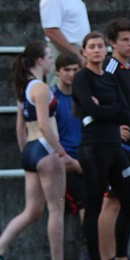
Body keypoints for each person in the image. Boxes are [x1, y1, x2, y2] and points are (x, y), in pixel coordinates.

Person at [0, 41, 69, 260]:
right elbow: (44, 124)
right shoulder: (41, 88)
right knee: (56, 208)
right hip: (44, 148)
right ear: (39, 61)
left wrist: (27, 154)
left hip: (31, 149)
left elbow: (19, 128)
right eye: (49, 57)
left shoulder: (23, 89)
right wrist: (59, 150)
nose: (52, 61)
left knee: (32, 210)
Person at [71, 32, 130, 260]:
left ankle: (121, 258)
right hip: (93, 148)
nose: (98, 50)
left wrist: (103, 109)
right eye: (92, 47)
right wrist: (103, 110)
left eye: (100, 46)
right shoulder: (82, 78)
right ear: (85, 52)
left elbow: (124, 112)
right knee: (93, 204)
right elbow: (90, 109)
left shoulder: (110, 78)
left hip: (114, 147)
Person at [100, 18, 130, 260]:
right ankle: (106, 257)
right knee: (113, 200)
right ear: (112, 43)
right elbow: (103, 99)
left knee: (128, 202)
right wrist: (114, 127)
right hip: (119, 145)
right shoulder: (110, 68)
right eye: (124, 40)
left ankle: (121, 256)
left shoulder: (127, 68)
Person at [52, 52, 86, 230]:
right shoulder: (51, 98)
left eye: (75, 70)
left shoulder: (83, 97)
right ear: (57, 71)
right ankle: (93, 253)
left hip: (85, 159)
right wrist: (72, 162)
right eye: (67, 70)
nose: (71, 74)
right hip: (64, 162)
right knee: (85, 201)